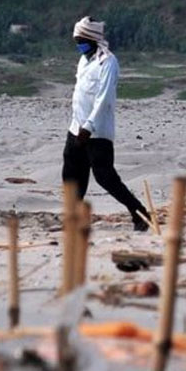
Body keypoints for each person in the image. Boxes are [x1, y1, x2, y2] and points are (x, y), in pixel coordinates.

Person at [61, 16, 150, 231]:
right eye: (76, 40)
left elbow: (104, 98)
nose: (78, 44)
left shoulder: (108, 62)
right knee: (72, 176)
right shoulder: (84, 60)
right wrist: (78, 125)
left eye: (81, 40)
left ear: (92, 39)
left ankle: (140, 214)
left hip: (97, 132)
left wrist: (89, 126)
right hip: (75, 128)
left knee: (106, 178)